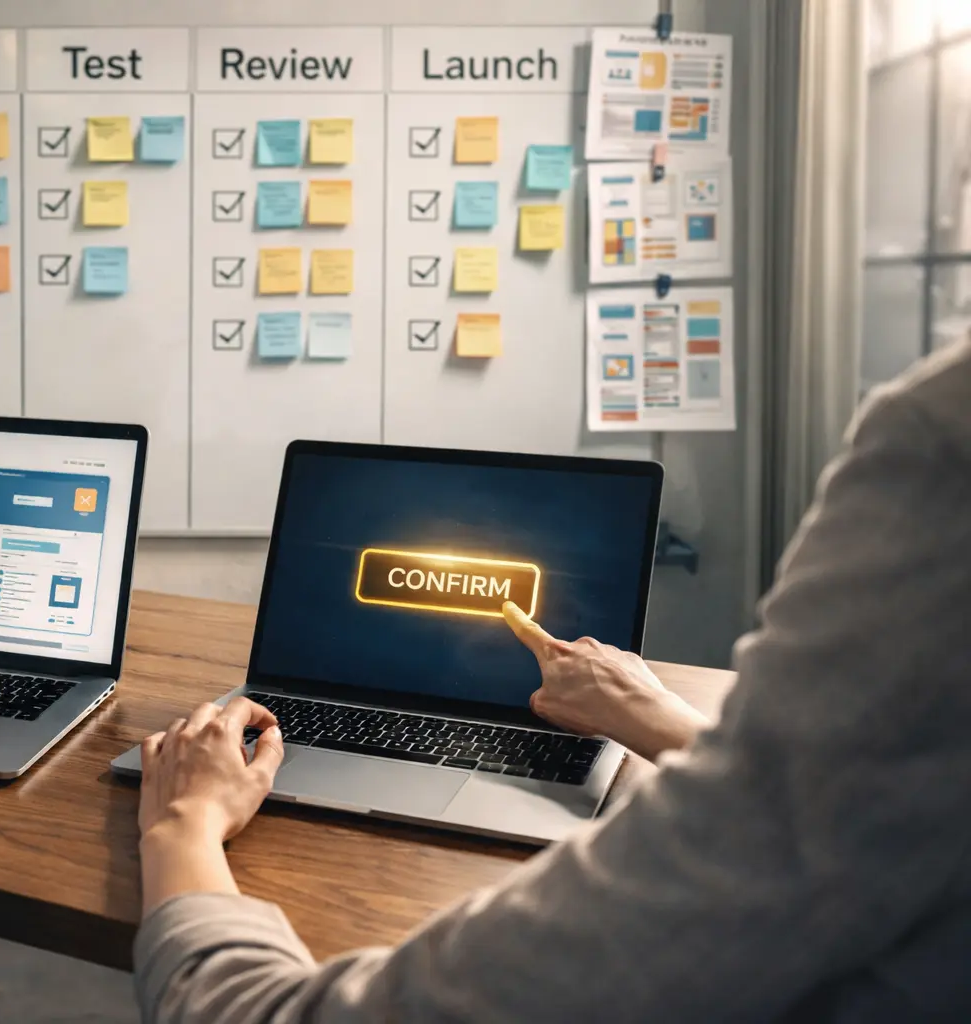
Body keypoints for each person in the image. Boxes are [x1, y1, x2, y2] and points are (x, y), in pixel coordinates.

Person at [134, 338, 971, 1021]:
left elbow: (259, 1013)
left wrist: (184, 824)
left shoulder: (942, 439)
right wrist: (673, 723)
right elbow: (832, 797)